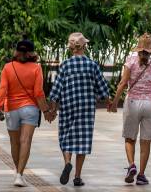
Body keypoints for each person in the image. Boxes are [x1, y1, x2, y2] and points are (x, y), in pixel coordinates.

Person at [48, 32, 109, 187]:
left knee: (65, 135)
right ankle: (77, 176)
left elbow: (56, 90)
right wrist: (109, 102)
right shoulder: (92, 65)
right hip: (86, 108)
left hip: (68, 105)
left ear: (71, 48)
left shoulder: (65, 65)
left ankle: (68, 162)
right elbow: (102, 89)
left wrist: (52, 109)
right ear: (85, 46)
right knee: (83, 139)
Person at [0, 39, 53, 187]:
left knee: (14, 142)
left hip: (11, 108)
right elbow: (38, 93)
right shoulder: (36, 68)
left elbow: (3, 89)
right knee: (25, 141)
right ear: (31, 53)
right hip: (30, 109)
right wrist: (46, 110)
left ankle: (17, 173)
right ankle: (20, 175)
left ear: (17, 51)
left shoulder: (8, 67)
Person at [109, 33, 151, 185]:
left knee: (129, 138)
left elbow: (122, 83)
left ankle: (132, 165)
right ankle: (141, 175)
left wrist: (114, 102)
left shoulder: (130, 62)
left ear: (139, 50)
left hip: (133, 103)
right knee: (145, 142)